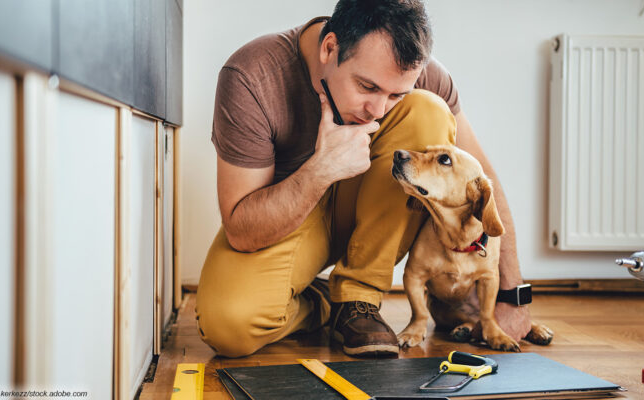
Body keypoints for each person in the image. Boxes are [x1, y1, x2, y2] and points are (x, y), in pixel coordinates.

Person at [196, 0, 531, 358]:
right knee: (228, 325)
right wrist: (321, 168)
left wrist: (512, 297)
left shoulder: (428, 78)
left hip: (380, 207)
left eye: (395, 95)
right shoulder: (253, 76)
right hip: (291, 211)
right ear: (329, 48)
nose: (378, 109)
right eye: (367, 86)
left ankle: (356, 300)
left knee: (428, 109)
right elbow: (241, 229)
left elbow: (479, 178)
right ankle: (323, 302)